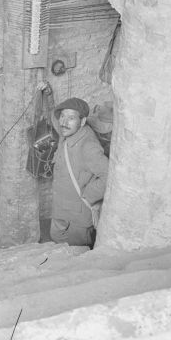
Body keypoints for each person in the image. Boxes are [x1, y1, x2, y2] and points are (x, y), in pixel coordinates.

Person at [50, 97, 109, 249]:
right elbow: (53, 118)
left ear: (82, 122)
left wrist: (88, 197)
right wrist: (46, 96)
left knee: (73, 258)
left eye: (71, 118)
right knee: (58, 247)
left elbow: (108, 175)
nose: (63, 122)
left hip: (76, 220)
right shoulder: (68, 133)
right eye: (62, 116)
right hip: (61, 211)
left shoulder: (87, 145)